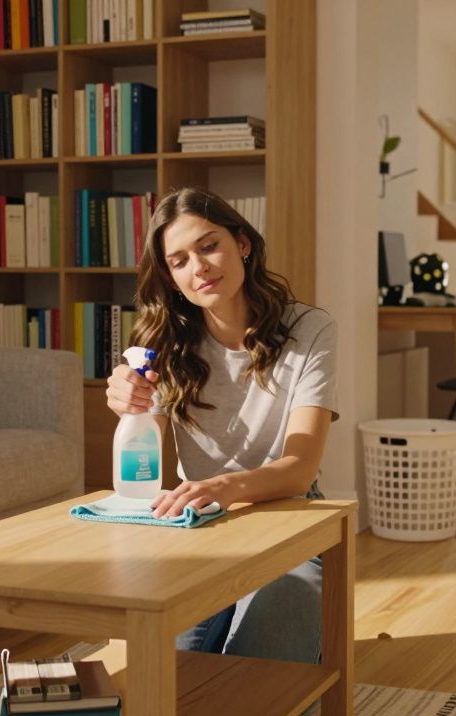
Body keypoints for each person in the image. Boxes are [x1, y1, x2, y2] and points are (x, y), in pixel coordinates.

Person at [104, 186, 337, 664]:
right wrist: (130, 403)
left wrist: (225, 487)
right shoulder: (164, 342)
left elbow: (300, 467)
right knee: (161, 669)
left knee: (261, 668)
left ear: (242, 244)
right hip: (198, 524)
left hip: (289, 520)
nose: (200, 267)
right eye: (180, 260)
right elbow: (141, 447)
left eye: (209, 246)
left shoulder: (310, 331)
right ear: (170, 278)